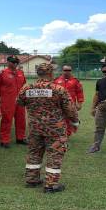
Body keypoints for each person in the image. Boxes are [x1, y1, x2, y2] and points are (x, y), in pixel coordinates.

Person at [17, 63, 77, 193]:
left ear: (38, 73)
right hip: (55, 129)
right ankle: (51, 184)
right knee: (55, 154)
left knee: (34, 153)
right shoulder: (58, 89)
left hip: (35, 128)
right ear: (50, 73)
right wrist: (75, 122)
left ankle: (31, 179)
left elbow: (19, 102)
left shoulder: (26, 89)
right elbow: (70, 110)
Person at [0, 55, 27, 148]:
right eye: (12, 61)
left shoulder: (20, 73)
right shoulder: (2, 73)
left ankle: (20, 138)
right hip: (7, 101)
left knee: (21, 120)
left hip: (20, 101)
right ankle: (4, 140)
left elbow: (23, 84)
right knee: (7, 120)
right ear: (8, 62)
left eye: (16, 62)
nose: (14, 63)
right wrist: (4, 94)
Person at [87, 63, 106, 153]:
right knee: (99, 128)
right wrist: (93, 107)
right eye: (104, 71)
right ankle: (96, 146)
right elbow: (97, 94)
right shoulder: (100, 82)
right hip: (101, 108)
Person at [53, 65, 84, 136]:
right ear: (62, 71)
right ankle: (60, 133)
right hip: (58, 104)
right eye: (65, 70)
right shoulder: (56, 80)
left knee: (69, 119)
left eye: (69, 70)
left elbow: (79, 92)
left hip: (70, 104)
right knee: (58, 118)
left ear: (71, 71)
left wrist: (79, 103)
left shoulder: (75, 81)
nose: (67, 72)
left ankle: (67, 134)